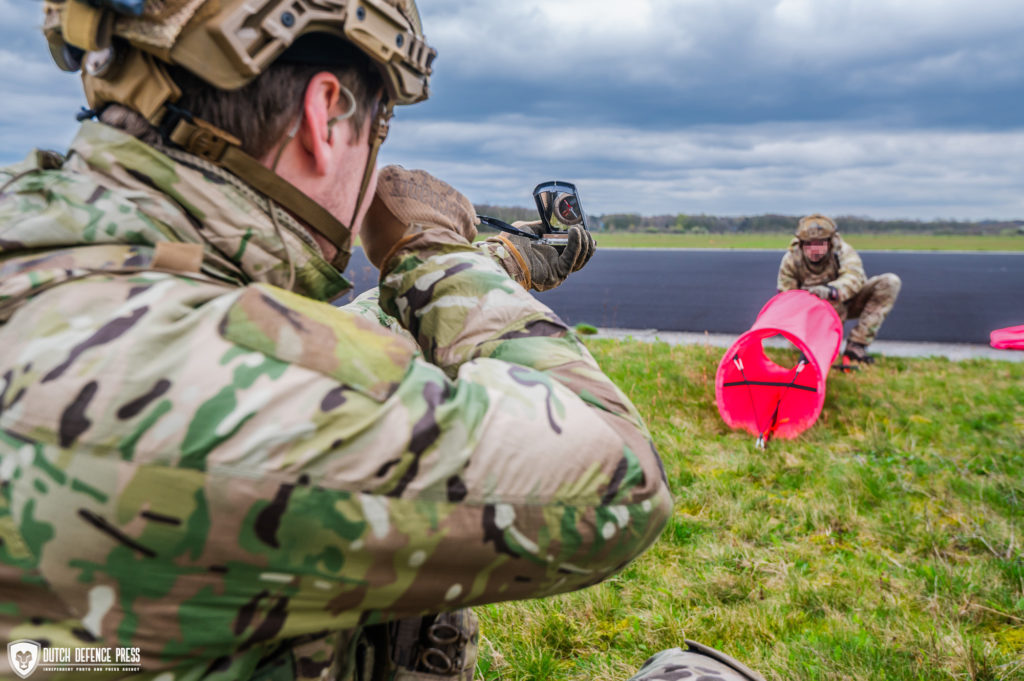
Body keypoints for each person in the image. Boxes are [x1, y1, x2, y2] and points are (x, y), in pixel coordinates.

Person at [0, 1, 765, 679]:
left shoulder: (67, 273)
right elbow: (619, 476)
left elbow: (312, 356)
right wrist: (432, 252)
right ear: (325, 116)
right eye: (380, 127)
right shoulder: (195, 373)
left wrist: (498, 263)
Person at [777, 214, 902, 364]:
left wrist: (831, 290)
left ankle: (857, 345)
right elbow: (787, 297)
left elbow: (855, 278)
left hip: (848, 301)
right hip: (813, 311)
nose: (814, 250)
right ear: (801, 244)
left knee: (890, 282)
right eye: (809, 245)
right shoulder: (791, 259)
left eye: (820, 244)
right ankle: (816, 344)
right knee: (799, 350)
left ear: (830, 243)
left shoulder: (843, 251)